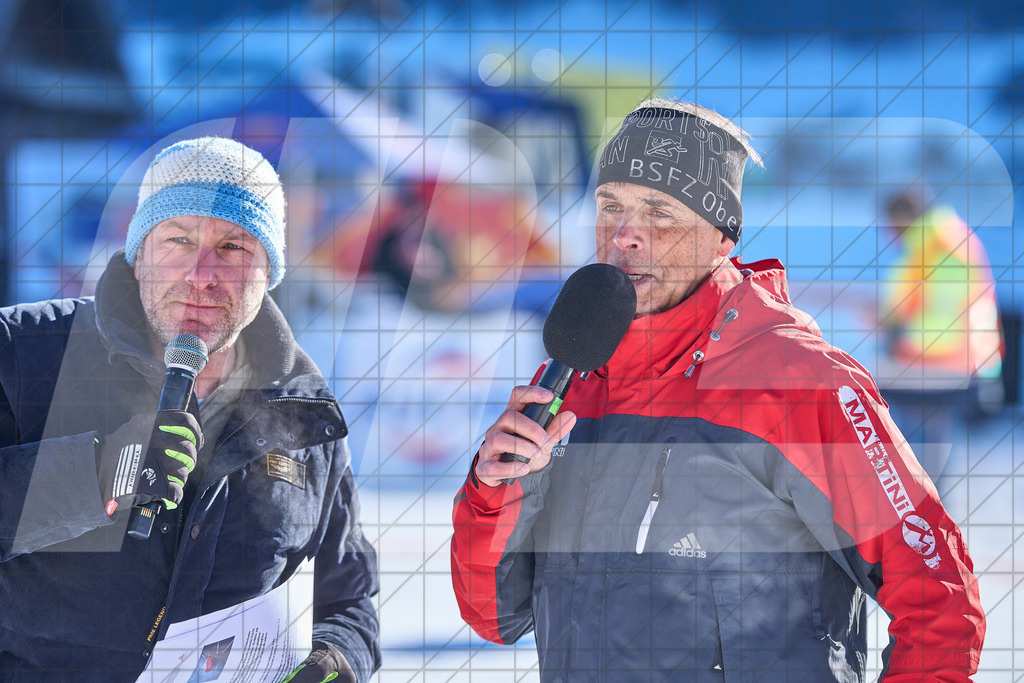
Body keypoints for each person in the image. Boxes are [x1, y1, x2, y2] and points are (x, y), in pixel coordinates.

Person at [451, 100, 985, 680]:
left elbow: (939, 598)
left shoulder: (799, 383)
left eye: (659, 212)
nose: (625, 235)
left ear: (720, 238)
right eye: (610, 206)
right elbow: (493, 617)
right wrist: (493, 489)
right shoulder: (569, 380)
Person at [0, 137, 380, 682]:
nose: (202, 274)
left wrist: (333, 662)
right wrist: (101, 473)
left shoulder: (305, 414)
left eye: (233, 248)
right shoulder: (22, 353)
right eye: (179, 239)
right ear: (138, 254)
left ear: (268, 269)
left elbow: (348, 598)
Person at [878, 188, 1004, 480]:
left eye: (891, 223)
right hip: (961, 363)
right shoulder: (955, 237)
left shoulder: (927, 246)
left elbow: (922, 313)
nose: (889, 232)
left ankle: (921, 519)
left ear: (901, 217)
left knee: (911, 458)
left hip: (929, 363)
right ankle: (932, 517)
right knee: (934, 454)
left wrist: (895, 333)